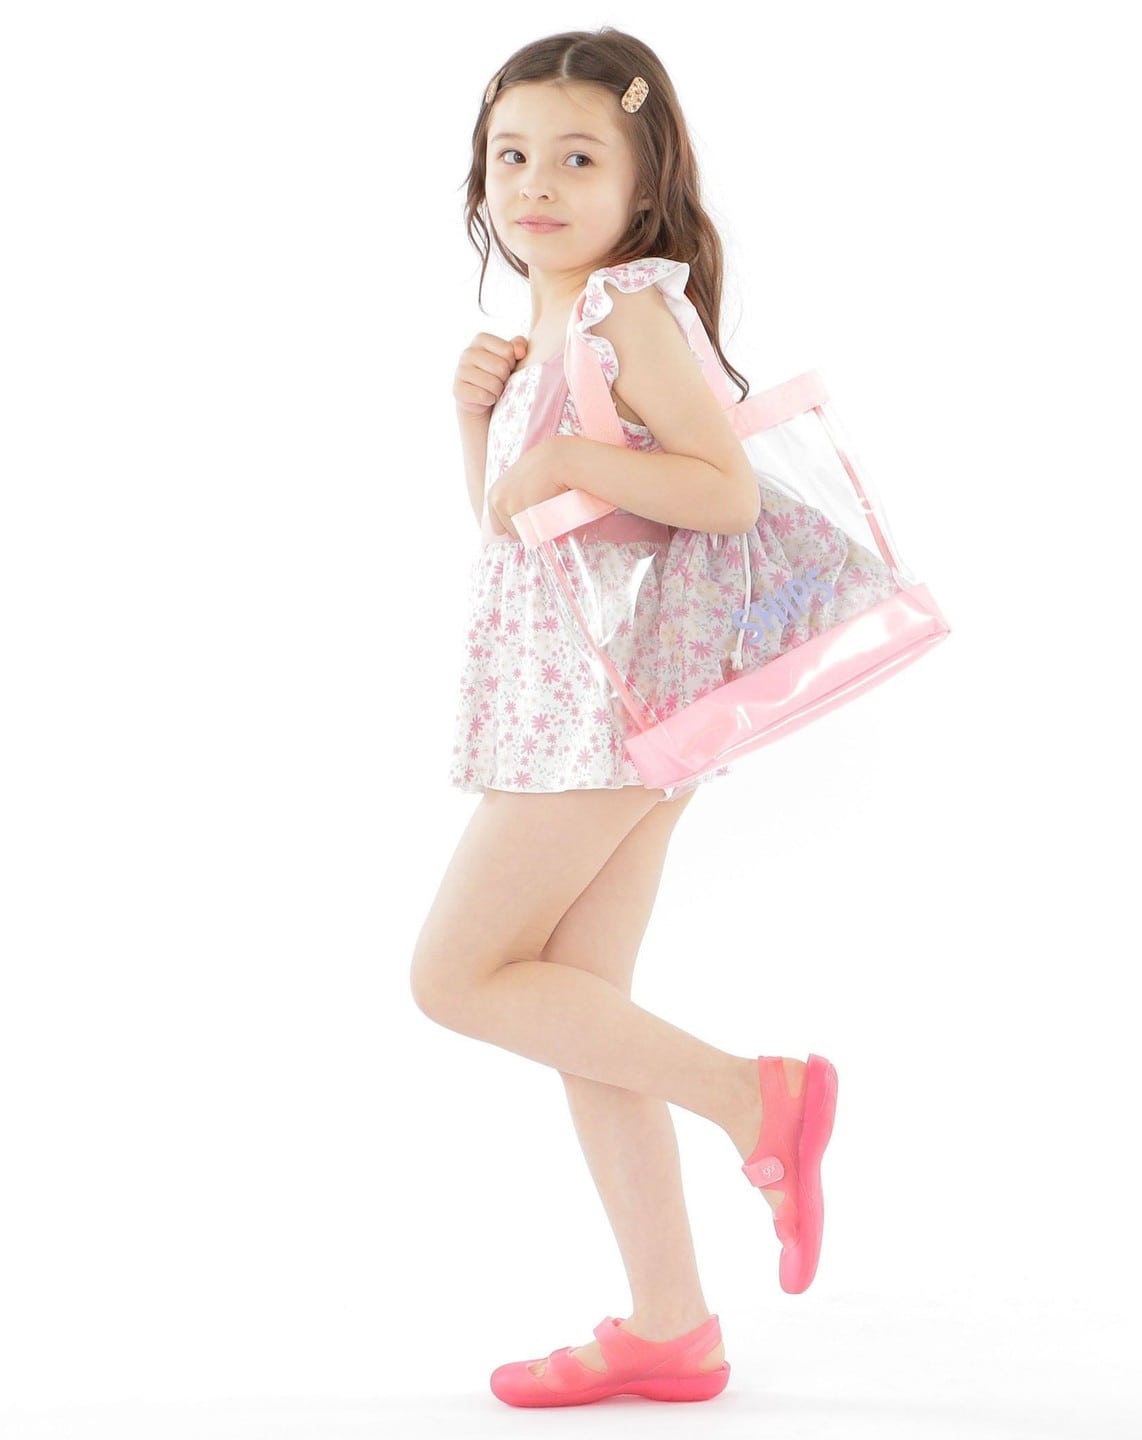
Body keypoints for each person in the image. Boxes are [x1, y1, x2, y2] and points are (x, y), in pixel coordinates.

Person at [411, 26, 838, 1408]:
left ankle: (755, 1098)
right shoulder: (549, 326)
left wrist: (563, 446)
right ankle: (671, 1325)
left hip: (602, 709)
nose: (535, 183)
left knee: (455, 977)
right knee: (579, 1010)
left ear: (646, 184)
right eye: (510, 156)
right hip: (572, 700)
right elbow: (518, 526)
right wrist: (479, 426)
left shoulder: (626, 312)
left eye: (577, 158)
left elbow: (725, 490)